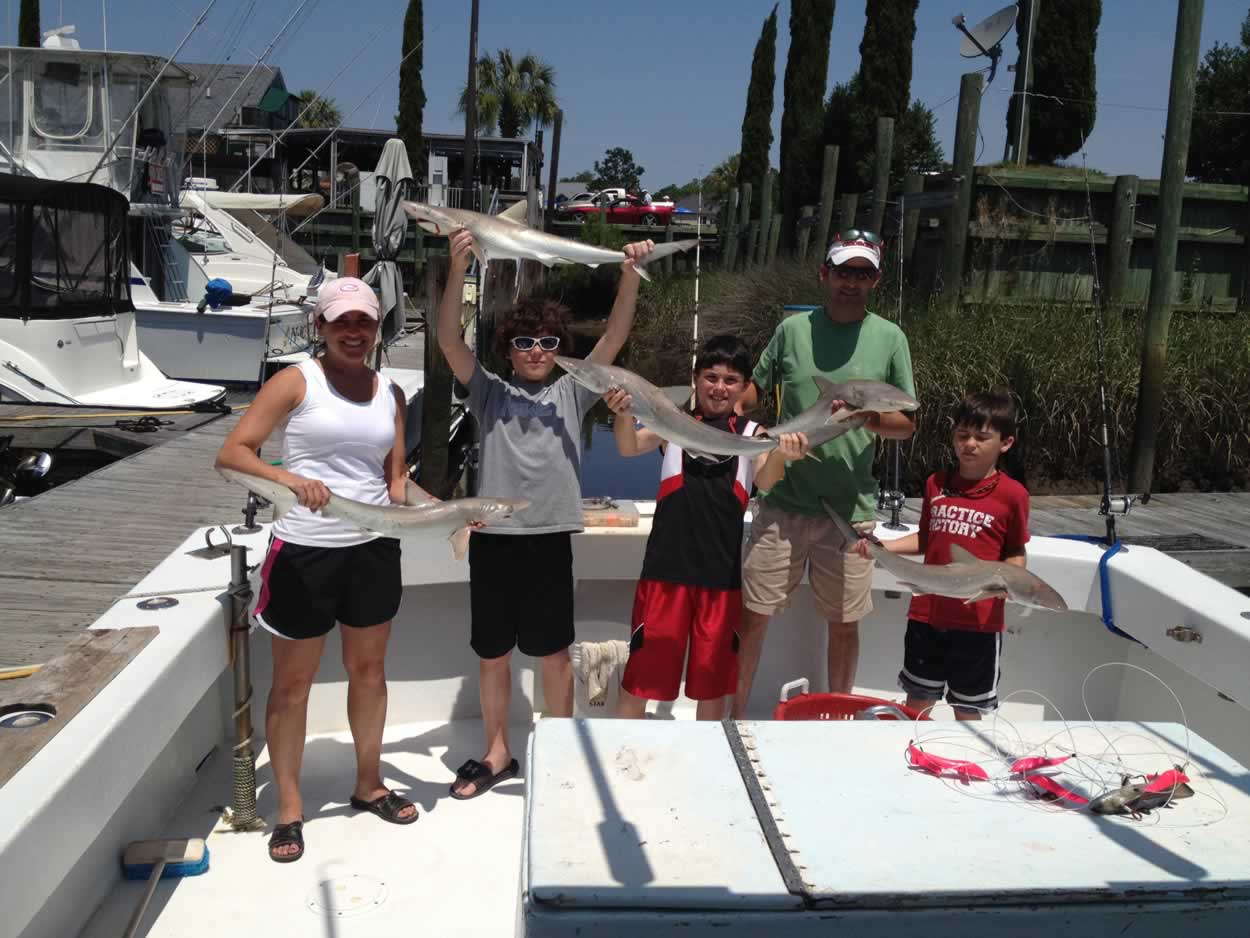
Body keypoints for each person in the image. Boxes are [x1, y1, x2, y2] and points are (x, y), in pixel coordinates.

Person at [437, 229, 655, 798]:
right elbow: (448, 340)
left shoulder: (572, 393)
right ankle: (497, 752)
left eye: (548, 342)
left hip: (551, 539)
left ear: (559, 350)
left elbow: (615, 336)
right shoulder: (488, 392)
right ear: (508, 351)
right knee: (493, 655)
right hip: (494, 539)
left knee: (554, 655)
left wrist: (629, 273)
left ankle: (558, 750)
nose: (537, 351)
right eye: (525, 342)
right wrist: (458, 268)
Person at [215, 277, 423, 864]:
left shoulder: (392, 393)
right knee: (293, 685)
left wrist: (449, 514)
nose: (354, 333)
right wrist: (289, 479)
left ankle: (369, 783)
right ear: (321, 327)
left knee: (369, 671)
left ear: (377, 328)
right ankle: (289, 807)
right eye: (342, 322)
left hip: (373, 547)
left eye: (364, 322)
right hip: (305, 550)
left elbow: (395, 482)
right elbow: (233, 453)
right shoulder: (296, 381)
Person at [733, 230, 916, 718]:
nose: (851, 282)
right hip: (782, 502)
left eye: (862, 274)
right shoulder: (792, 331)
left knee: (845, 623)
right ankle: (732, 717)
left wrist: (865, 417)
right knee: (753, 617)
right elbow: (753, 390)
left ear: (876, 280)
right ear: (824, 273)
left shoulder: (890, 338)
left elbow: (906, 424)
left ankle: (840, 719)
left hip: (849, 509)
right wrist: (726, 409)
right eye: (843, 271)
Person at [605, 335, 808, 721]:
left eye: (731, 380)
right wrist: (622, 414)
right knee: (642, 678)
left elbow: (765, 481)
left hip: (720, 579)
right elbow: (629, 447)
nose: (719, 388)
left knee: (712, 687)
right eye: (711, 377)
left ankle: (709, 753)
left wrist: (783, 455)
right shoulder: (672, 422)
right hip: (665, 574)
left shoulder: (753, 435)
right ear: (695, 378)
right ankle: (624, 751)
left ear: (745, 387)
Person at [851, 389, 1029, 720]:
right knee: (916, 704)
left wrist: (1011, 583)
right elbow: (926, 538)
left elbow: (1015, 550)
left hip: (979, 622)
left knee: (968, 711)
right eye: (962, 435)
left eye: (981, 437)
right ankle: (913, 749)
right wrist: (882, 548)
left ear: (1005, 443)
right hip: (927, 613)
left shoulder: (1013, 495)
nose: (969, 444)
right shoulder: (936, 483)